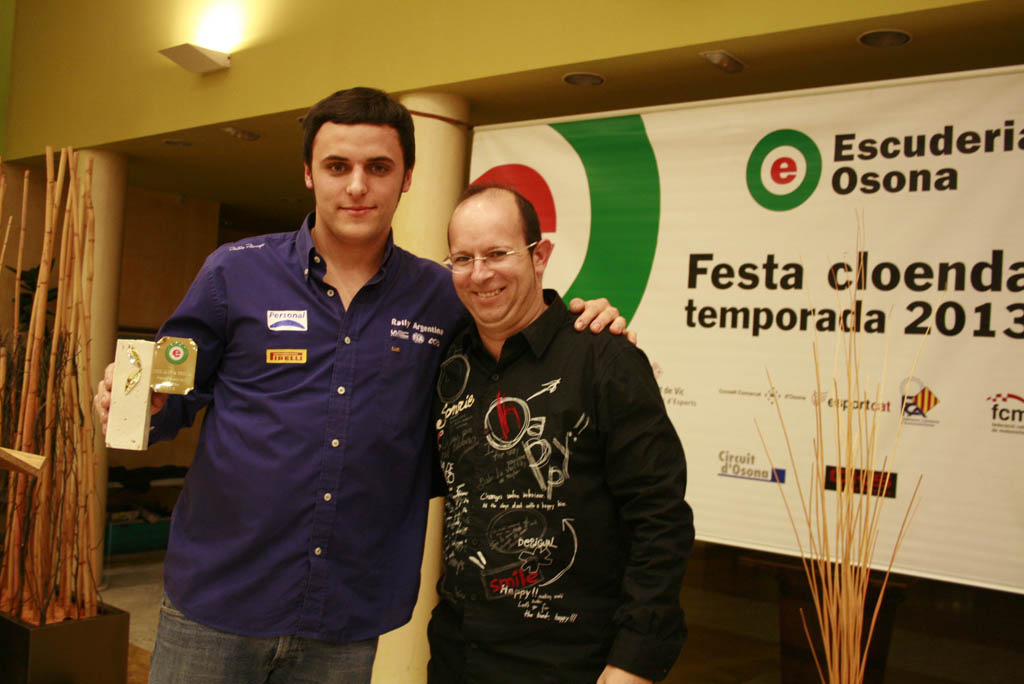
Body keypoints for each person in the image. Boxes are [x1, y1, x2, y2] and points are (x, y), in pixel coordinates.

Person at [93, 87, 628, 684]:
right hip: (217, 600)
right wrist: (137, 404)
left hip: (346, 612)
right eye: (336, 166)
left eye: (378, 167)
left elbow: (522, 354)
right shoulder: (234, 272)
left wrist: (588, 329)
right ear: (308, 173)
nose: (356, 186)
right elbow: (168, 398)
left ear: (406, 178)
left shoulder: (441, 297)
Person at [427, 185, 693, 684]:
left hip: (572, 664)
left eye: (497, 253)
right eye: (463, 258)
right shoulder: (447, 365)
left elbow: (660, 518)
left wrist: (634, 660)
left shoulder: (604, 358)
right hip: (458, 659)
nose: (480, 273)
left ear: (540, 255)